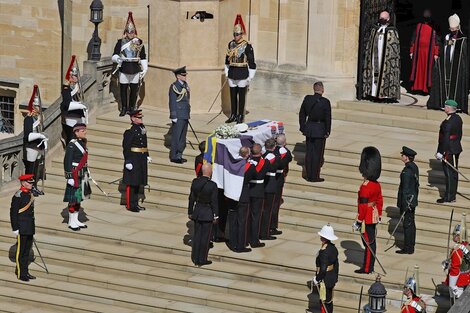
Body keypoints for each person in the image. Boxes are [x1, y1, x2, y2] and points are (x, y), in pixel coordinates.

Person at [427, 14, 468, 113]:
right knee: (444, 84)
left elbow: (463, 58)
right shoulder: (447, 37)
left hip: (456, 70)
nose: (452, 32)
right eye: (451, 29)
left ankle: (454, 107)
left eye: (454, 30)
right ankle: (443, 104)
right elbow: (443, 50)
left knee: (455, 86)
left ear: (458, 28)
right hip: (446, 66)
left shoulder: (462, 40)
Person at [353, 146, 383, 274]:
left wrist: (359, 220)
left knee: (368, 243)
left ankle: (367, 268)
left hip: (366, 218)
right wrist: (379, 215)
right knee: (370, 242)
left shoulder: (365, 187)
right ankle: (369, 266)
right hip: (374, 215)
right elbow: (380, 200)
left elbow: (363, 206)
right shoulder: (376, 184)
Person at [112, 11, 148, 116]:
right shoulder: (120, 42)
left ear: (134, 32)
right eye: (128, 32)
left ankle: (132, 107)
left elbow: (143, 56)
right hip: (124, 68)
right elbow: (114, 54)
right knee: (123, 90)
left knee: (133, 90)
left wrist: (145, 69)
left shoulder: (139, 42)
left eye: (132, 32)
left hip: (135, 68)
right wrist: (118, 59)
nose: (130, 34)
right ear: (126, 32)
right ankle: (124, 108)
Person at [362, 10, 401, 102]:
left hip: (386, 60)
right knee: (374, 74)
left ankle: (385, 95)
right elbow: (369, 46)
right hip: (375, 58)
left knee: (385, 75)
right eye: (381, 18)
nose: (382, 19)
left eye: (384, 18)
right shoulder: (374, 29)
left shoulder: (392, 31)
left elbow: (394, 49)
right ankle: (373, 94)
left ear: (388, 19)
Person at [224, 14, 256, 124]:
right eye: (234, 34)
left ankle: (241, 115)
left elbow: (252, 62)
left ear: (241, 34)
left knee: (241, 96)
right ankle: (233, 114)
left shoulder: (247, 46)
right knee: (233, 95)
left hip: (242, 73)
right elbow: (227, 60)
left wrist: (250, 77)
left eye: (237, 34)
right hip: (232, 72)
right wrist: (227, 72)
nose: (235, 36)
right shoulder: (231, 44)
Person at [299, 81, 331, 182]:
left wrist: (303, 127)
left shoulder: (307, 99)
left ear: (314, 89)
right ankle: (314, 176)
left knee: (309, 153)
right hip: (320, 129)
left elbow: (302, 114)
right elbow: (328, 118)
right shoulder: (325, 101)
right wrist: (327, 131)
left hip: (309, 128)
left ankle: (308, 174)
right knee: (317, 154)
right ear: (322, 90)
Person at [188, 164, 219, 266]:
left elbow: (191, 198)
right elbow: (214, 202)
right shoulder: (212, 185)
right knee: (205, 238)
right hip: (207, 213)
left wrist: (190, 211)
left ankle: (195, 257)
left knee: (197, 236)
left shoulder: (195, 182)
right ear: (210, 172)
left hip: (197, 211)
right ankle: (202, 259)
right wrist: (216, 215)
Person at [10, 174, 37, 282]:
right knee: (21, 252)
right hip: (22, 227)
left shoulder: (29, 194)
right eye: (30, 183)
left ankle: (26, 272)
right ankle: (21, 274)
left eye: (32, 182)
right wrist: (15, 228)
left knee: (27, 251)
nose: (32, 184)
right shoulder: (18, 195)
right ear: (23, 183)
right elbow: (13, 213)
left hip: (29, 227)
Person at [63, 123, 91, 231]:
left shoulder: (82, 143)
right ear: (76, 132)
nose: (85, 132)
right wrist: (69, 176)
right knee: (73, 199)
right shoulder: (72, 144)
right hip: (74, 174)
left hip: (81, 173)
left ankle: (76, 219)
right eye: (83, 131)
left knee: (78, 198)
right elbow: (67, 161)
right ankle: (71, 221)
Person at [122, 109, 150, 212]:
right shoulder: (130, 130)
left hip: (141, 158)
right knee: (132, 183)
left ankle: (136, 204)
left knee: (138, 182)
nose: (141, 119)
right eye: (139, 117)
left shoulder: (142, 128)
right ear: (133, 118)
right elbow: (126, 146)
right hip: (133, 158)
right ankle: (130, 205)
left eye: (141, 117)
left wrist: (147, 155)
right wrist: (128, 161)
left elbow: (144, 143)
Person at [435, 100, 463, 203]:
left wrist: (441, 152)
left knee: (449, 174)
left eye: (445, 107)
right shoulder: (458, 118)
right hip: (455, 147)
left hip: (448, 150)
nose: (444, 108)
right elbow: (459, 135)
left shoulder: (448, 122)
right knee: (453, 173)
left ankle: (449, 197)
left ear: (449, 108)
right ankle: (452, 195)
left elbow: (445, 139)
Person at [308, 224, 339, 313]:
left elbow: (323, 268)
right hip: (331, 277)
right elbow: (336, 265)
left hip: (324, 279)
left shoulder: (324, 252)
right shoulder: (333, 248)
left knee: (324, 302)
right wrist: (335, 277)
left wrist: (317, 279)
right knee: (329, 301)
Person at [228, 146, 254, 253]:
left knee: (233, 221)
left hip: (232, 195)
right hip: (243, 195)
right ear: (247, 154)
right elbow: (253, 176)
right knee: (242, 222)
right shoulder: (250, 167)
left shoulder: (233, 164)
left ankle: (232, 243)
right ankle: (240, 245)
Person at [409, 9, 440, 94]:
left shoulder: (435, 27)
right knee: (418, 70)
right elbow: (413, 38)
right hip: (418, 52)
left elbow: (437, 41)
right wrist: (411, 51)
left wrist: (436, 53)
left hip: (429, 54)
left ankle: (425, 89)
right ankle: (416, 88)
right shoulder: (419, 25)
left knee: (426, 71)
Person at [396, 146, 419, 255]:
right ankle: (410, 246)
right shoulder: (414, 167)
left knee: (407, 225)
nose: (402, 156)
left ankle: (408, 247)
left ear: (406, 158)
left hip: (408, 202)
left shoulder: (406, 171)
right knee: (411, 224)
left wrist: (405, 204)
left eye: (403, 155)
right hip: (412, 200)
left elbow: (405, 189)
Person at [23, 85, 47, 183]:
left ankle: (34, 186)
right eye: (37, 106)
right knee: (30, 168)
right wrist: (40, 136)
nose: (39, 108)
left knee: (37, 167)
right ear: (33, 106)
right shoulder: (29, 118)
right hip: (31, 146)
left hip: (38, 146)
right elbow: (28, 135)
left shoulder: (40, 118)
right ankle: (28, 186)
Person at [61, 55, 87, 144]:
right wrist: (80, 105)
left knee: (79, 137)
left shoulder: (77, 86)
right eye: (74, 76)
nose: (76, 78)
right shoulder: (66, 88)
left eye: (76, 76)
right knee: (71, 137)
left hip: (78, 114)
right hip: (70, 115)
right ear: (70, 77)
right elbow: (67, 103)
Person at [443, 219, 470, 300]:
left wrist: (452, 286)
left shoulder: (457, 251)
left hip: (459, 282)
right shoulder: (467, 246)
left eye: (455, 234)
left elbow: (455, 270)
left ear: (459, 236)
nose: (453, 236)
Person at [271, 133, 292, 236]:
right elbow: (289, 158)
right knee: (275, 204)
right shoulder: (285, 153)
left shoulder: (271, 151)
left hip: (270, 181)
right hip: (278, 180)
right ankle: (272, 226)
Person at [248, 143, 268, 248]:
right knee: (256, 217)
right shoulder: (264, 162)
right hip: (258, 190)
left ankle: (246, 238)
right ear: (260, 152)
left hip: (248, 190)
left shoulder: (248, 161)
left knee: (247, 216)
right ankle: (254, 240)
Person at [169, 66, 190, 164]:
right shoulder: (174, 86)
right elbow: (172, 102)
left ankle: (179, 154)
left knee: (182, 137)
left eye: (185, 75)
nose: (185, 76)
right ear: (178, 76)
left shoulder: (185, 85)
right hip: (178, 114)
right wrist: (173, 116)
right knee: (177, 136)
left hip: (185, 114)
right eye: (183, 75)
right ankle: (174, 156)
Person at [260, 138, 279, 240]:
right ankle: (265, 233)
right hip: (270, 184)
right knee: (268, 210)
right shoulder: (274, 157)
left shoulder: (263, 156)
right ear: (274, 146)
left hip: (264, 184)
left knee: (264, 210)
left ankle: (262, 231)